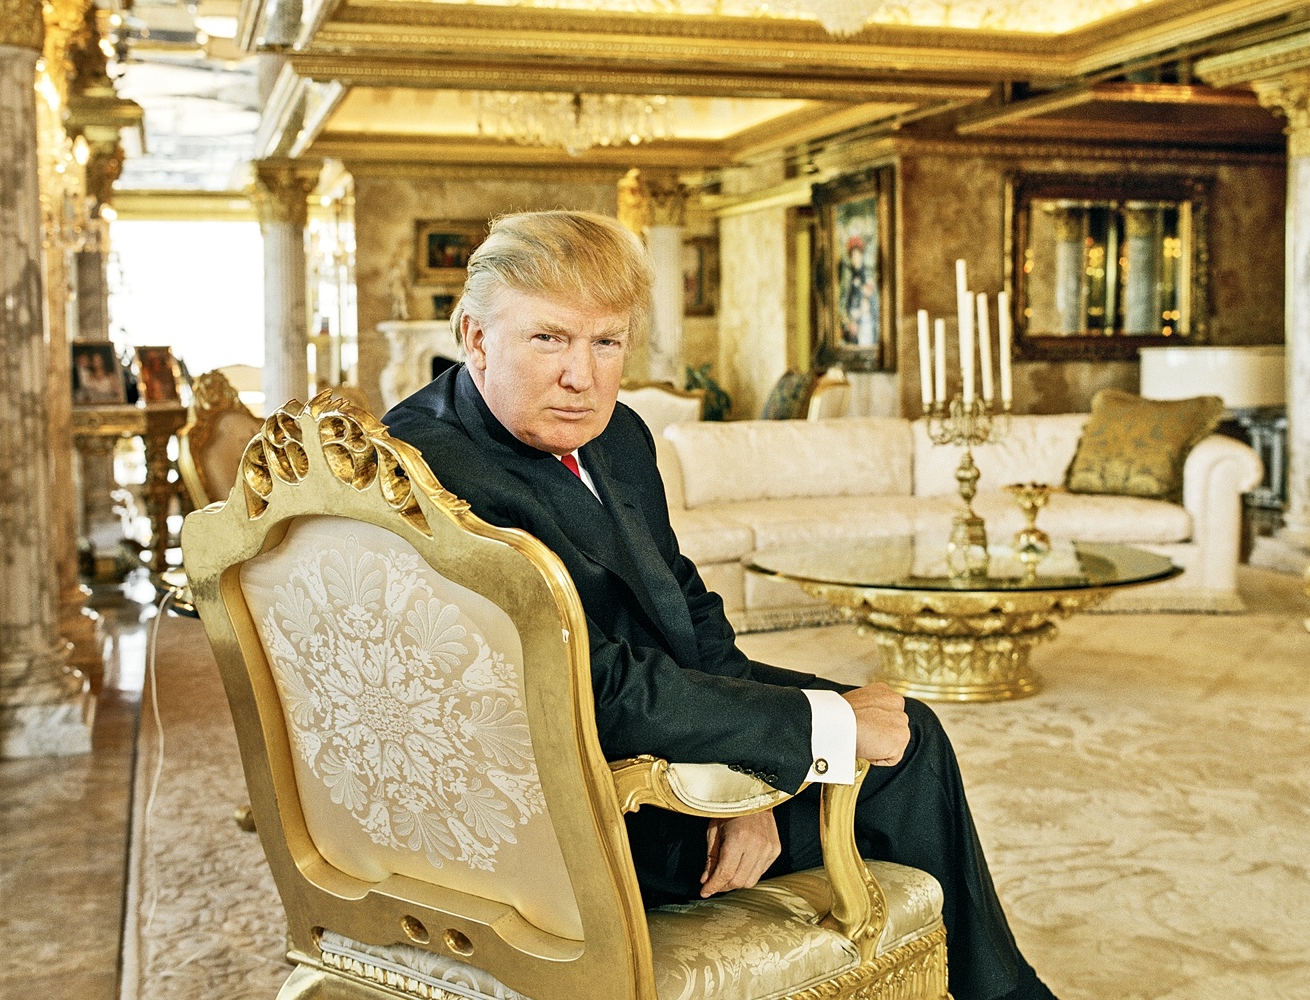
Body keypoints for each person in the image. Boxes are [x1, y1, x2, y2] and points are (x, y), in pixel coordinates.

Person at [383, 211, 1058, 1000]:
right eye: (548, 339)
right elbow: (592, 691)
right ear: (475, 337)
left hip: (648, 728)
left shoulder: (615, 434)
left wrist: (758, 773)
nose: (582, 377)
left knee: (905, 728)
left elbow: (685, 605)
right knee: (894, 751)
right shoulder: (433, 473)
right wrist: (792, 749)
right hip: (575, 815)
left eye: (607, 343)